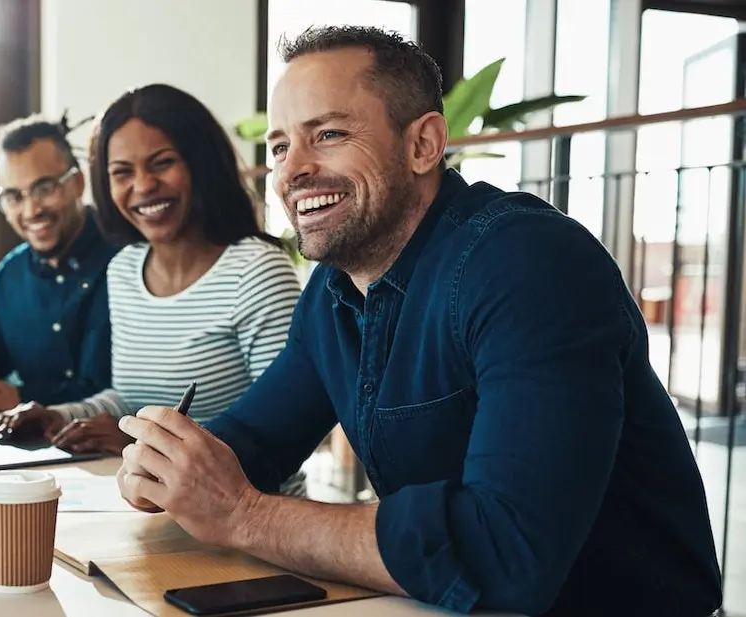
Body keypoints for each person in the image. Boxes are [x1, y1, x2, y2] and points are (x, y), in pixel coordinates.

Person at [114, 26, 722, 617]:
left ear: (424, 145)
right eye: (279, 147)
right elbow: (254, 443)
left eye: (327, 133)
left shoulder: (528, 263)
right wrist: (169, 462)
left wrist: (245, 514)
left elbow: (507, 552)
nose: (292, 170)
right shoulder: (333, 291)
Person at [0, 85, 303, 494]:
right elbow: (128, 399)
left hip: (250, 524)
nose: (143, 185)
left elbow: (282, 433)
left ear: (200, 165)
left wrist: (141, 445)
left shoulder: (256, 271)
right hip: (151, 513)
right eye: (122, 172)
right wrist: (58, 416)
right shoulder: (124, 269)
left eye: (163, 163)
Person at [0, 113, 120, 412]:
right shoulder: (11, 274)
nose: (31, 210)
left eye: (44, 189)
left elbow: (112, 390)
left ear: (77, 183)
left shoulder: (126, 263)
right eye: (14, 196)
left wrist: (20, 396)